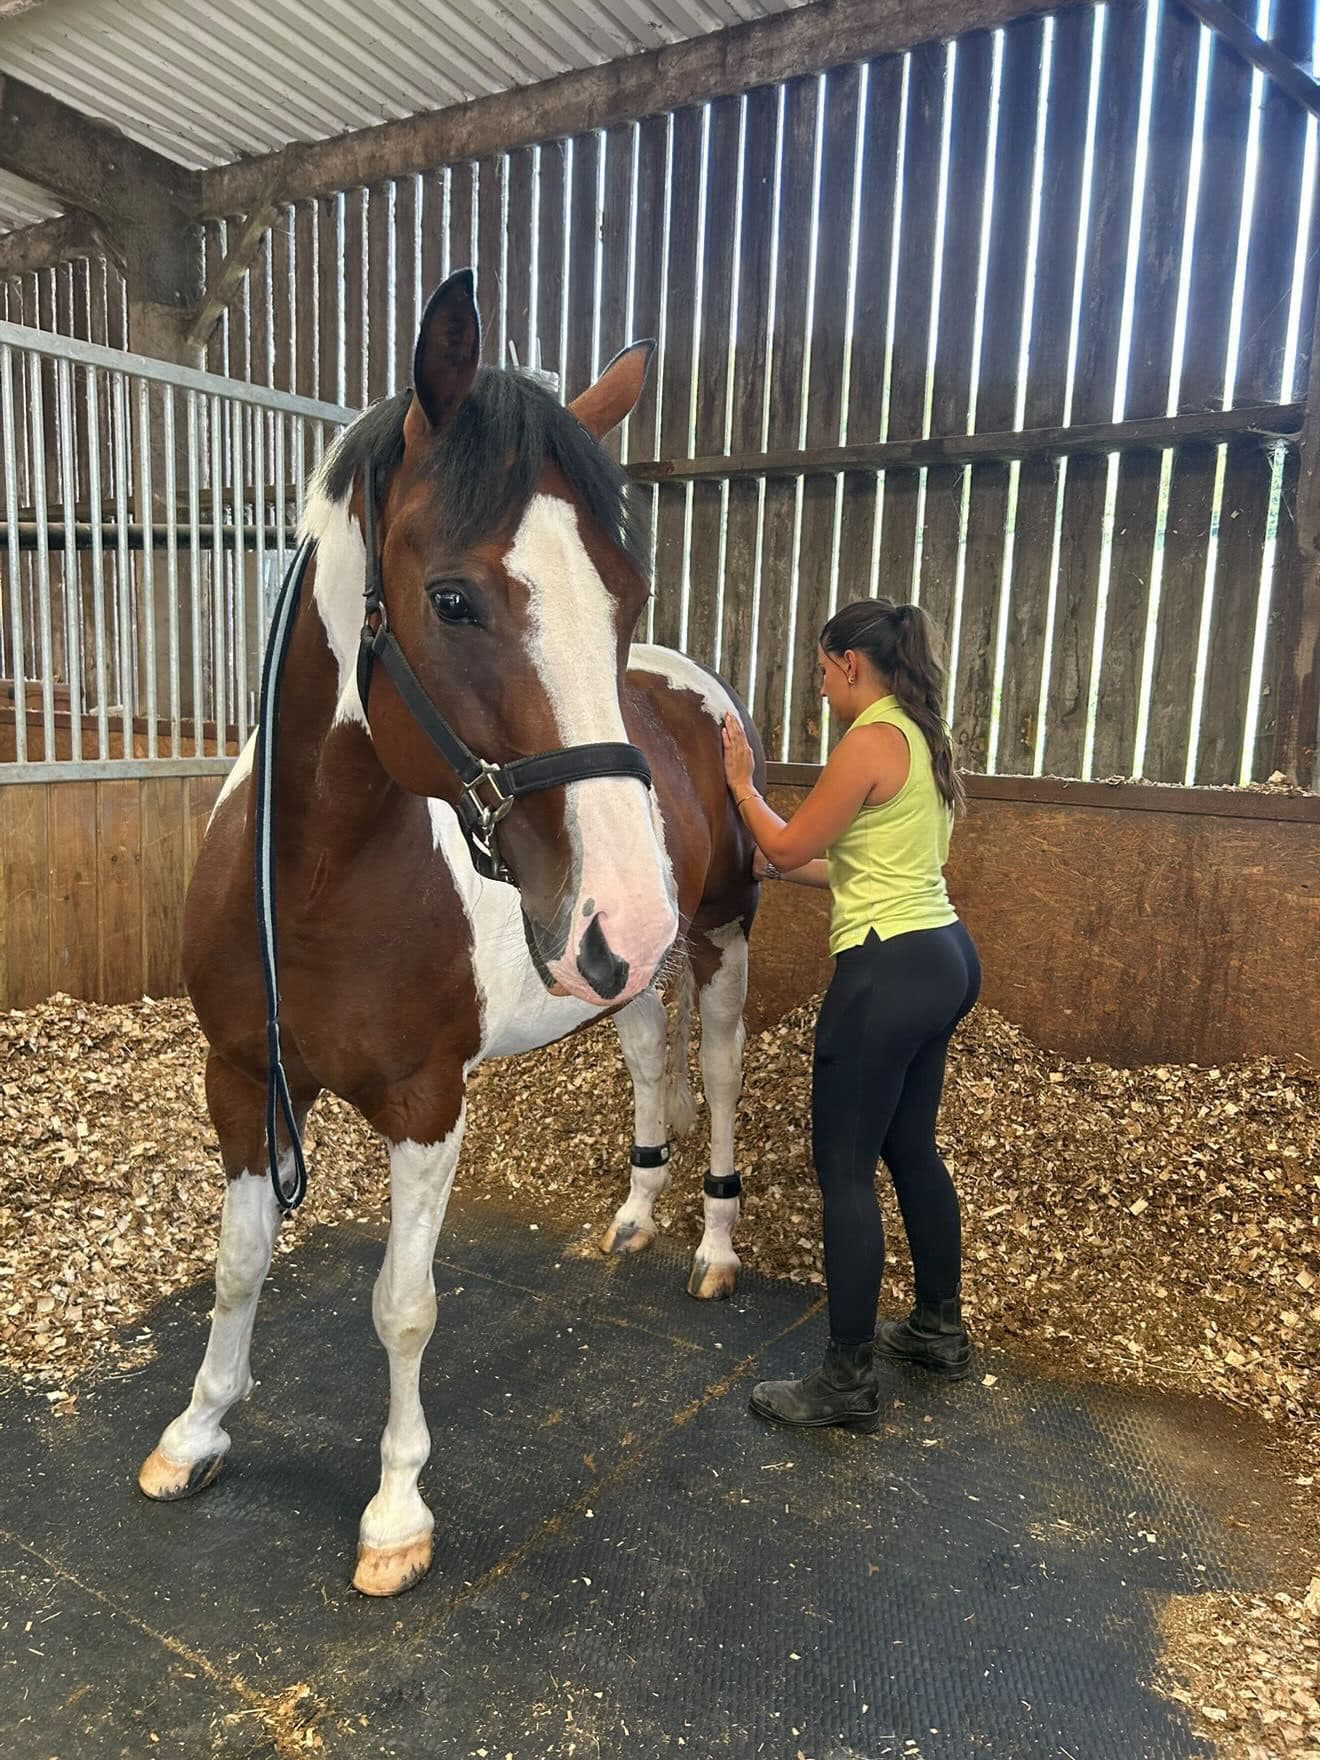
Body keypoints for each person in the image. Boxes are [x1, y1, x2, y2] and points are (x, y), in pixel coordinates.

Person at [721, 597, 981, 1430]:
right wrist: (773, 868)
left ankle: (847, 1380)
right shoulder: (919, 735)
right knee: (910, 1148)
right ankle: (939, 1330)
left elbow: (796, 840)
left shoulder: (867, 738)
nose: (819, 686)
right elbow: (846, 865)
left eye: (821, 670)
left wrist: (738, 786)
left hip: (885, 973)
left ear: (850, 665)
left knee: (844, 1173)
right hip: (942, 954)